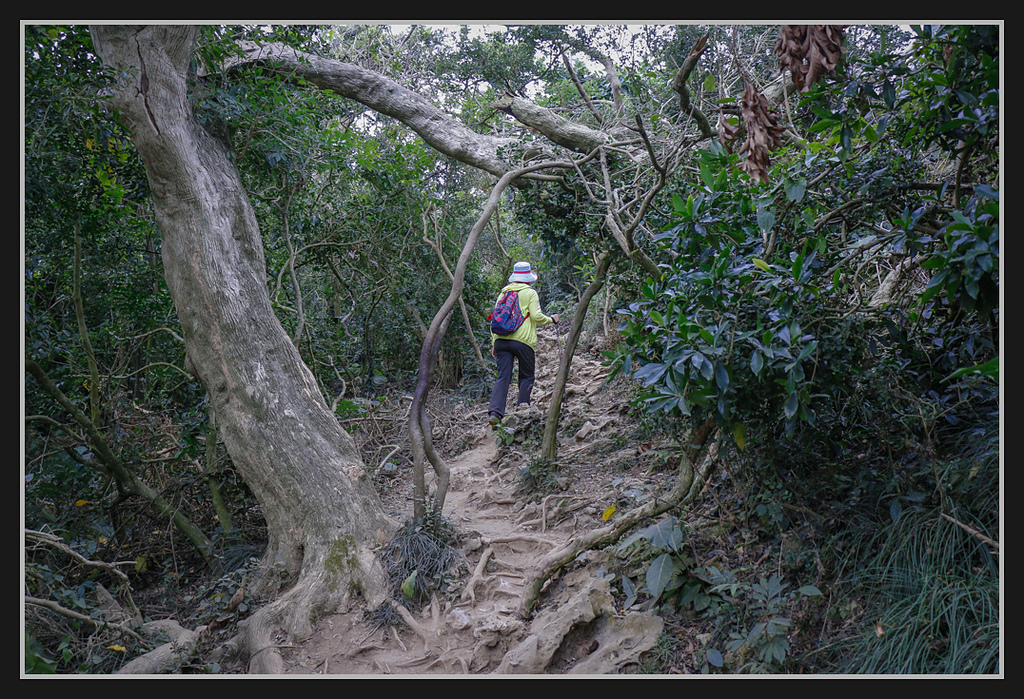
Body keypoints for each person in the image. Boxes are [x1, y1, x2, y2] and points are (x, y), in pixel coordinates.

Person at [487, 261, 559, 425]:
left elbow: (495, 319)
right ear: (528, 278)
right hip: (523, 341)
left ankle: (495, 413)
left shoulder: (503, 293)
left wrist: (494, 343)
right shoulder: (530, 293)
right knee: (527, 376)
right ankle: (523, 410)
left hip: (500, 341)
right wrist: (552, 320)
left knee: (503, 377)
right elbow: (537, 317)